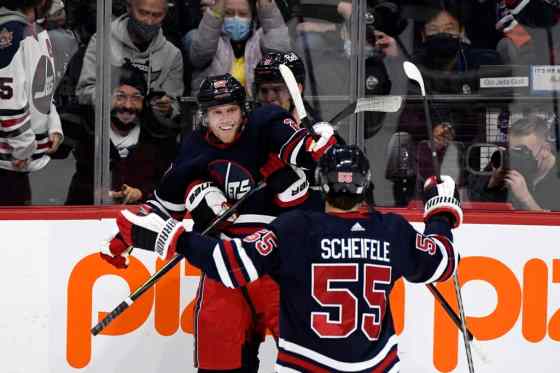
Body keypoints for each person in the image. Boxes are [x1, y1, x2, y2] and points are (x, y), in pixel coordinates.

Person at [111, 144, 462, 372]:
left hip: (306, 366)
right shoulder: (392, 231)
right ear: (366, 184)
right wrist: (440, 212)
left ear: (321, 184)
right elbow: (444, 261)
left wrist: (177, 239)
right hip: (377, 367)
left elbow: (231, 266)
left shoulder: (296, 229)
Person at [102, 73, 336, 372]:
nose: (225, 119)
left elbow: (300, 148)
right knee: (218, 357)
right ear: (204, 115)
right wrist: (124, 238)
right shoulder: (193, 148)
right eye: (217, 112)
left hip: (280, 264)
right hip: (226, 265)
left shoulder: (267, 123)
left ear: (244, 110)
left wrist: (317, 147)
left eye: (231, 111)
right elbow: (161, 205)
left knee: (308, 362)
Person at [64, 63, 174, 205]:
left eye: (136, 98)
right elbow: (77, 187)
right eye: (120, 97)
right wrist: (97, 194)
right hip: (90, 219)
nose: (128, 106)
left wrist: (142, 193)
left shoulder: (158, 138)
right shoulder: (88, 133)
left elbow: (169, 184)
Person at [76, 0, 184, 133]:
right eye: (143, 13)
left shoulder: (172, 54)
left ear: (166, 14)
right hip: (103, 131)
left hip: (148, 135)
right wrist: (115, 99)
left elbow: (174, 103)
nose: (149, 21)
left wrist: (168, 108)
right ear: (129, 8)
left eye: (157, 15)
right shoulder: (102, 41)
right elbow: (83, 92)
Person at [0, 0, 64, 205]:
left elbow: (41, 86)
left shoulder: (37, 30)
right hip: (10, 162)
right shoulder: (9, 31)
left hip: (19, 161)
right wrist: (23, 148)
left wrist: (52, 123)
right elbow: (7, 100)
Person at [185, 0, 290, 96]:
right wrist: (214, 13)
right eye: (229, 13)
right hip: (216, 110)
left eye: (243, 14)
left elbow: (280, 54)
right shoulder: (210, 39)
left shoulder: (262, 39)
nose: (236, 18)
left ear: (252, 17)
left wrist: (267, 10)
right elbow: (199, 54)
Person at [468, 115, 560, 211]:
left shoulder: (556, 180)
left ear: (545, 150)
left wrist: (526, 199)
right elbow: (473, 202)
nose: (515, 156)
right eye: (513, 150)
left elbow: (553, 224)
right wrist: (493, 182)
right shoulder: (506, 162)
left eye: (523, 151)